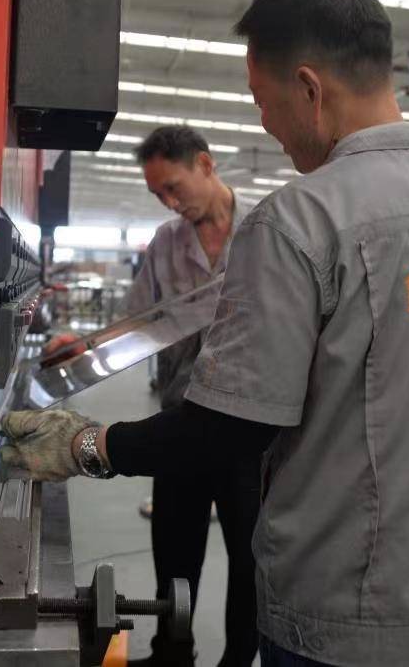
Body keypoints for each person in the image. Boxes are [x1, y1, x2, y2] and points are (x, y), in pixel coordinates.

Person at [4, 0, 409, 667]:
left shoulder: (298, 222)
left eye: (263, 102)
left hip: (346, 615)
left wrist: (86, 444)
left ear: (309, 88)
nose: (265, 122)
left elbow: (231, 428)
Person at [44, 125, 261, 667]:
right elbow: (138, 321)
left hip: (251, 428)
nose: (169, 202)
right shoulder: (166, 242)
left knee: (251, 557)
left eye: (173, 187)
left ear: (205, 165)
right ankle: (172, 654)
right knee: (175, 551)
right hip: (182, 422)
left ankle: (239, 659)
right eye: (158, 194)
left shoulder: (266, 232)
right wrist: (84, 343)